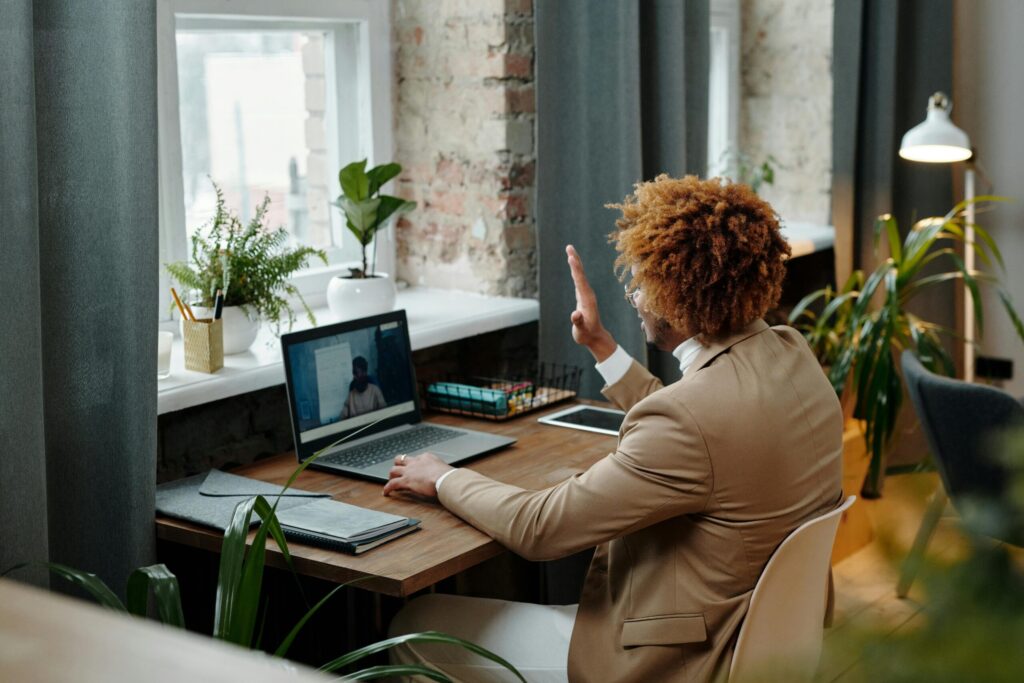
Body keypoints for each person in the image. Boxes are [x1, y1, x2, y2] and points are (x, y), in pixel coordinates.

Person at [383, 175, 844, 682]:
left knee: (415, 625)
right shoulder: (789, 352)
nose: (633, 295)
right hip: (765, 649)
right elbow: (710, 433)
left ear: (676, 295)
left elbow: (541, 528)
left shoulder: (691, 421)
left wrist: (442, 477)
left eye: (642, 281)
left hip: (678, 662)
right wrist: (602, 346)